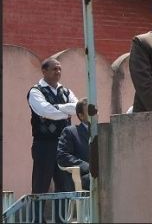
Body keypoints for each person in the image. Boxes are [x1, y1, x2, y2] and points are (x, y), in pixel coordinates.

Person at [27, 57, 78, 222]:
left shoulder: (66, 91)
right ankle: (37, 220)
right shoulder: (35, 91)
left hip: (64, 145)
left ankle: (60, 220)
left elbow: (77, 108)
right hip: (44, 145)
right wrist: (65, 110)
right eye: (54, 69)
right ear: (44, 71)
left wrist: (56, 109)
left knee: (64, 185)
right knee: (41, 184)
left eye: (59, 69)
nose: (58, 72)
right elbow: (45, 111)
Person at [57, 98, 91, 190]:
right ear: (81, 115)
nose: (95, 113)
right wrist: (88, 167)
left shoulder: (102, 132)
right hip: (82, 177)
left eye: (96, 110)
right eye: (90, 111)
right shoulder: (71, 132)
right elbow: (63, 156)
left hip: (101, 174)